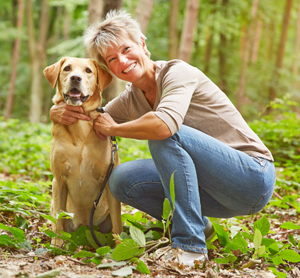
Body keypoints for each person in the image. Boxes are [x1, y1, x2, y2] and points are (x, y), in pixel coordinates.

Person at [50, 10, 276, 267]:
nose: (122, 61)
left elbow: (162, 126)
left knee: (164, 133)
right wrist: (56, 110)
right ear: (108, 67)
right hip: (214, 192)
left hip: (252, 176)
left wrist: (114, 129)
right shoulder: (130, 98)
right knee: (122, 180)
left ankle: (190, 247)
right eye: (112, 58)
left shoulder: (178, 72)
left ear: (142, 44)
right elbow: (93, 118)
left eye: (126, 49)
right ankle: (201, 227)